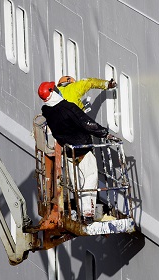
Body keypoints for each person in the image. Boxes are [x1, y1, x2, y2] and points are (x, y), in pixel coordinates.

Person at [37, 81, 118, 224]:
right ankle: (87, 214)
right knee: (90, 179)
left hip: (68, 153)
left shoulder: (46, 111)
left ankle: (82, 212)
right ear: (53, 92)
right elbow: (88, 124)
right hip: (82, 150)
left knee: (77, 183)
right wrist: (106, 134)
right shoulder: (69, 108)